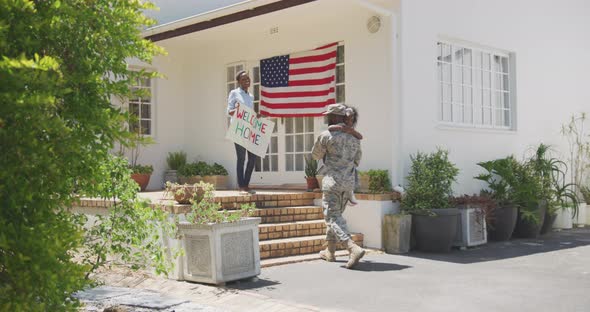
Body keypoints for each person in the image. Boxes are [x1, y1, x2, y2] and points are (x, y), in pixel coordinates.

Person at [312, 104, 365, 269]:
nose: (327, 118)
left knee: (332, 217)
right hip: (348, 184)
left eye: (329, 116)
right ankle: (330, 251)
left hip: (332, 182)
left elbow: (315, 155)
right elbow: (357, 160)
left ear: (335, 117)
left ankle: (352, 248)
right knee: (336, 215)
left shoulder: (326, 135)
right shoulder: (355, 138)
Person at [227, 70, 257, 195]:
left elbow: (250, 114)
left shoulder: (251, 96)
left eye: (248, 79)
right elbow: (229, 111)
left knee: (253, 158)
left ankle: (246, 184)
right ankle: (241, 186)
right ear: (239, 81)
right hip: (238, 129)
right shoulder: (234, 93)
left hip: (249, 129)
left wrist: (256, 116)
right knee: (241, 158)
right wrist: (239, 111)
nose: (247, 81)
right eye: (244, 79)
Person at [327, 106, 362, 205]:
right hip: (338, 167)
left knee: (352, 172)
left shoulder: (351, 132)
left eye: (351, 119)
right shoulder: (340, 127)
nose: (349, 121)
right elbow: (330, 127)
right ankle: (349, 193)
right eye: (347, 118)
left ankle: (350, 193)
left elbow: (360, 137)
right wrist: (343, 129)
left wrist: (351, 131)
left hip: (346, 166)